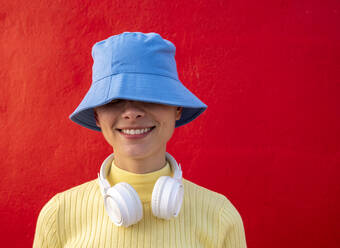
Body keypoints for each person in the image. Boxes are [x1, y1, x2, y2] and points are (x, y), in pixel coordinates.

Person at [33, 32, 247, 247]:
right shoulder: (58, 215)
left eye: (150, 96)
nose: (132, 113)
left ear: (177, 109)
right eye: (115, 99)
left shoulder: (220, 216)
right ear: (97, 115)